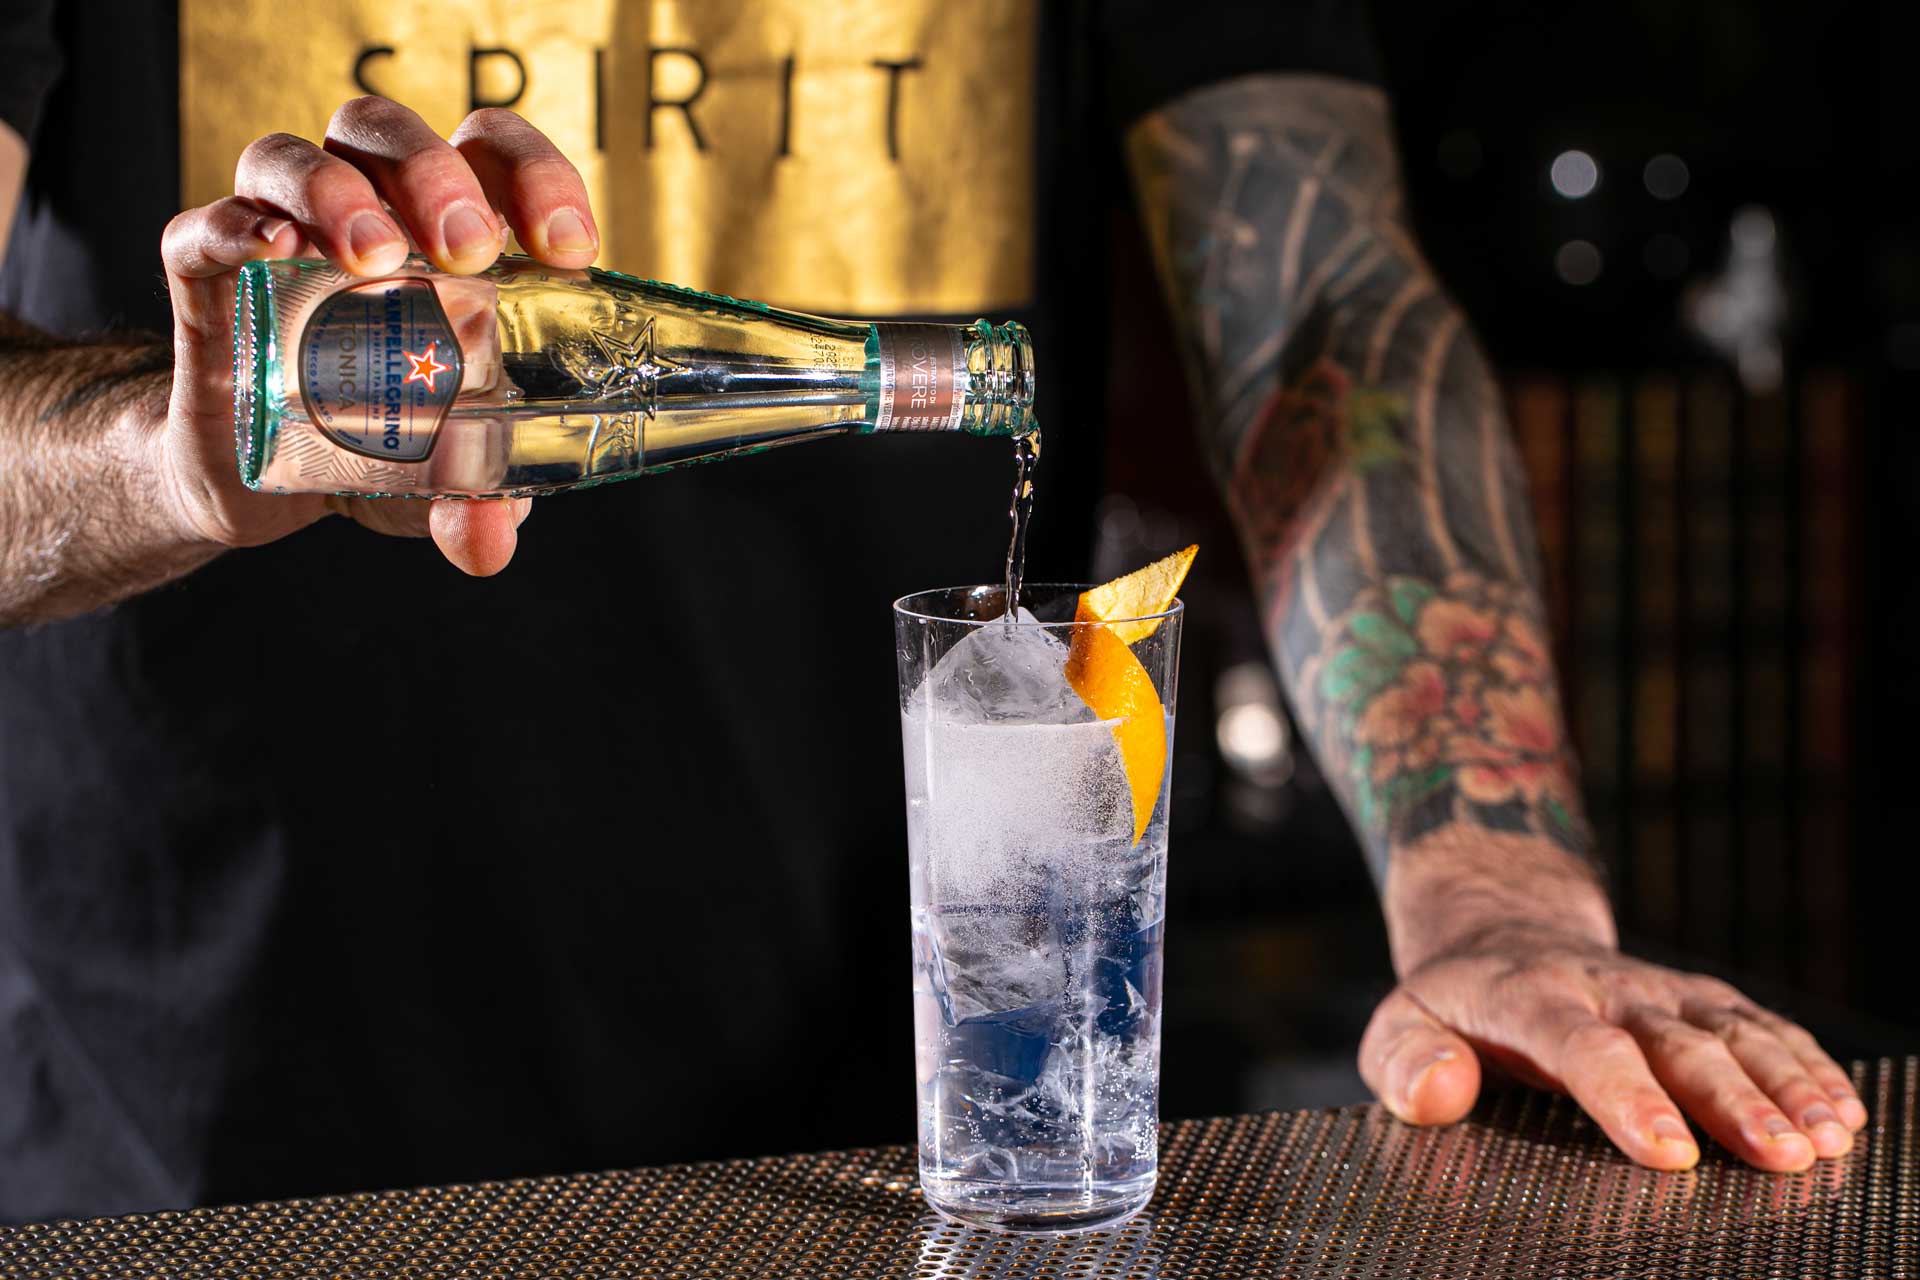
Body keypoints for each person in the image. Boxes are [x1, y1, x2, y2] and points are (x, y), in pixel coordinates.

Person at [0, 2, 1866, 1221]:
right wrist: (168, 457)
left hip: (902, 1189)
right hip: (208, 1170)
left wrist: (1496, 892)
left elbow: (1314, 308)